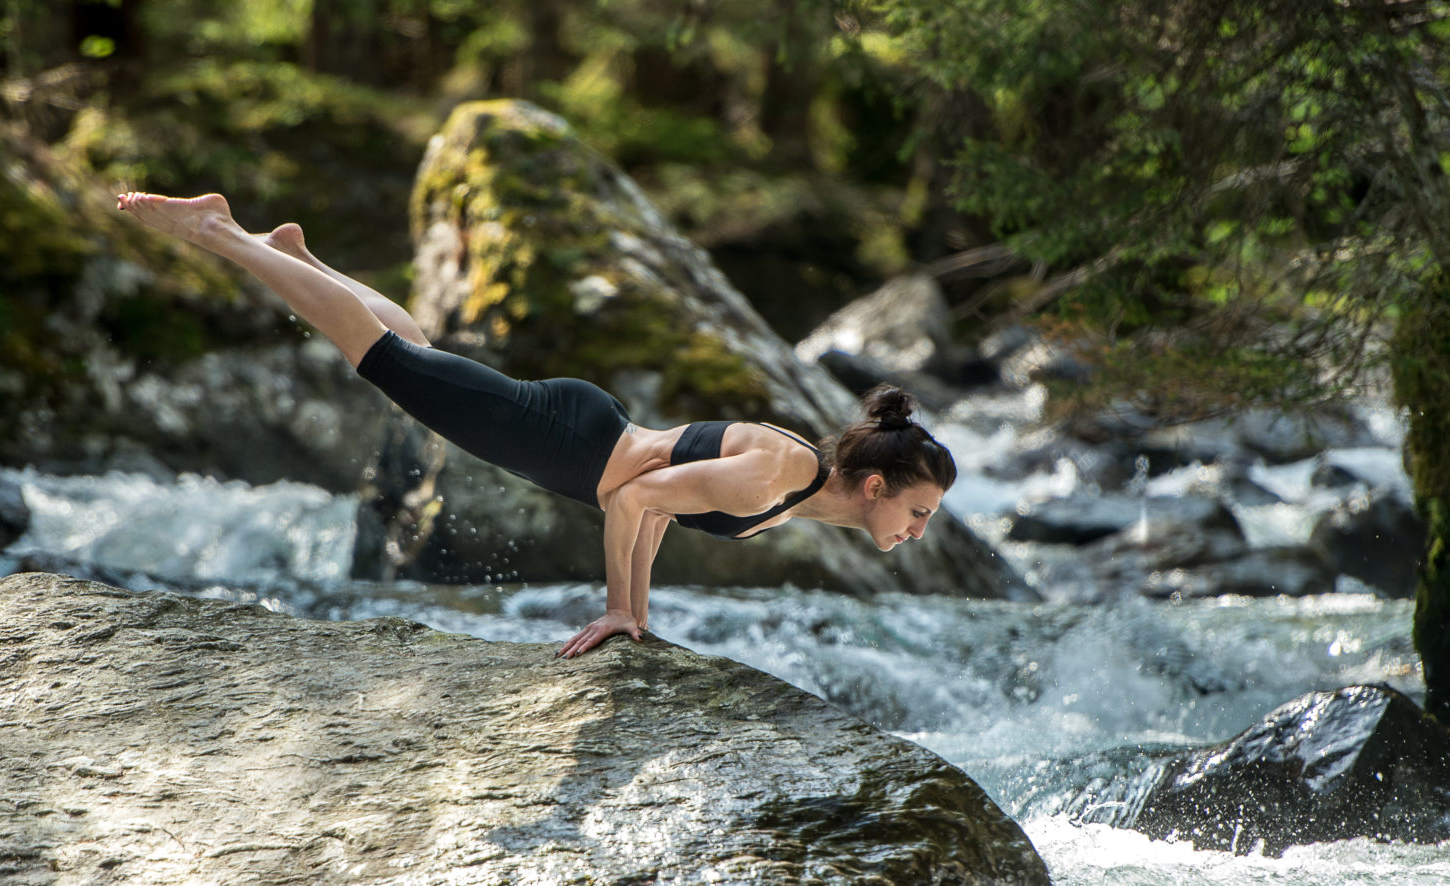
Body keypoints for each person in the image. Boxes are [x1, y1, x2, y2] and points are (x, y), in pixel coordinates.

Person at [115, 191, 957, 657]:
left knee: (414, 353)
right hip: (573, 442)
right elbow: (634, 503)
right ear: (876, 486)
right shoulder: (779, 475)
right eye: (918, 512)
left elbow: (656, 507)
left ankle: (300, 255)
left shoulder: (795, 482)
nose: (917, 531)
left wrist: (640, 612)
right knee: (385, 360)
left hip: (583, 431)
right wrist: (623, 609)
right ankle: (220, 231)